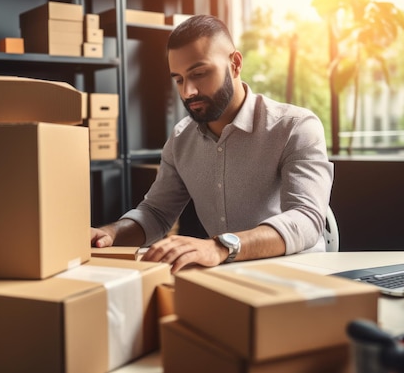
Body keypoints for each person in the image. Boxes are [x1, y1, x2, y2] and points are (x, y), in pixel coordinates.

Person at [91, 14, 334, 273]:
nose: (188, 92)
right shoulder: (181, 139)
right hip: (229, 274)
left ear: (235, 64)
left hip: (301, 272)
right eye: (179, 79)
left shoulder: (295, 126)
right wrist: (108, 235)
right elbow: (156, 213)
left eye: (200, 73)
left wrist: (220, 247)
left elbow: (307, 219)